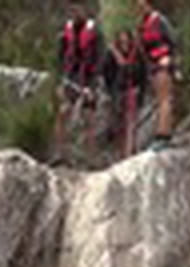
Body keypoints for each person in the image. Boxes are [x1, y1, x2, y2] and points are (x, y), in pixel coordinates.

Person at [52, 1, 106, 164]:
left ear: (84, 10)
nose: (74, 12)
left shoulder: (95, 32)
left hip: (88, 79)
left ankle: (91, 158)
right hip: (70, 78)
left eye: (77, 9)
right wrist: (60, 80)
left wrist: (92, 85)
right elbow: (60, 57)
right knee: (63, 113)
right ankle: (61, 154)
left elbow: (100, 58)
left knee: (89, 118)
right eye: (72, 10)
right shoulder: (66, 31)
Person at [134, 0, 180, 151]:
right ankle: (163, 133)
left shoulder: (160, 20)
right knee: (160, 100)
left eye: (143, 6)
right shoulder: (142, 25)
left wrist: (172, 61)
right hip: (153, 66)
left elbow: (173, 42)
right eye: (138, 6)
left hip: (163, 63)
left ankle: (163, 135)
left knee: (164, 99)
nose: (140, 9)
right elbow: (143, 51)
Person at [103, 29, 147, 158]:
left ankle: (130, 150)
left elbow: (143, 73)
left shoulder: (137, 52)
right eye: (122, 38)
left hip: (133, 89)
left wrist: (142, 91)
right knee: (118, 121)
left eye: (126, 37)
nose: (124, 40)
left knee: (131, 120)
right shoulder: (111, 53)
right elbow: (106, 72)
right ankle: (120, 151)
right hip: (118, 90)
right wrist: (110, 90)